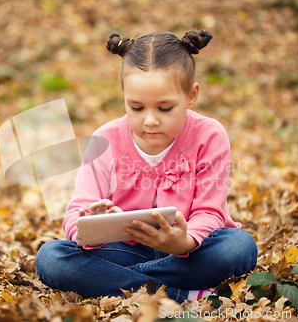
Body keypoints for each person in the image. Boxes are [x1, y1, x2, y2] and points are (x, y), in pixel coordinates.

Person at [36, 30, 258, 304]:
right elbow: (74, 215)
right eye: (137, 107)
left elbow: (209, 211)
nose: (150, 120)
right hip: (122, 251)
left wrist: (182, 243)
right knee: (51, 258)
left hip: (189, 252)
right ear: (124, 96)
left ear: (191, 95)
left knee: (239, 246)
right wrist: (91, 227)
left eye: (165, 108)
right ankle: (177, 294)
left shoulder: (209, 135)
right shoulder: (104, 140)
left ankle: (118, 283)